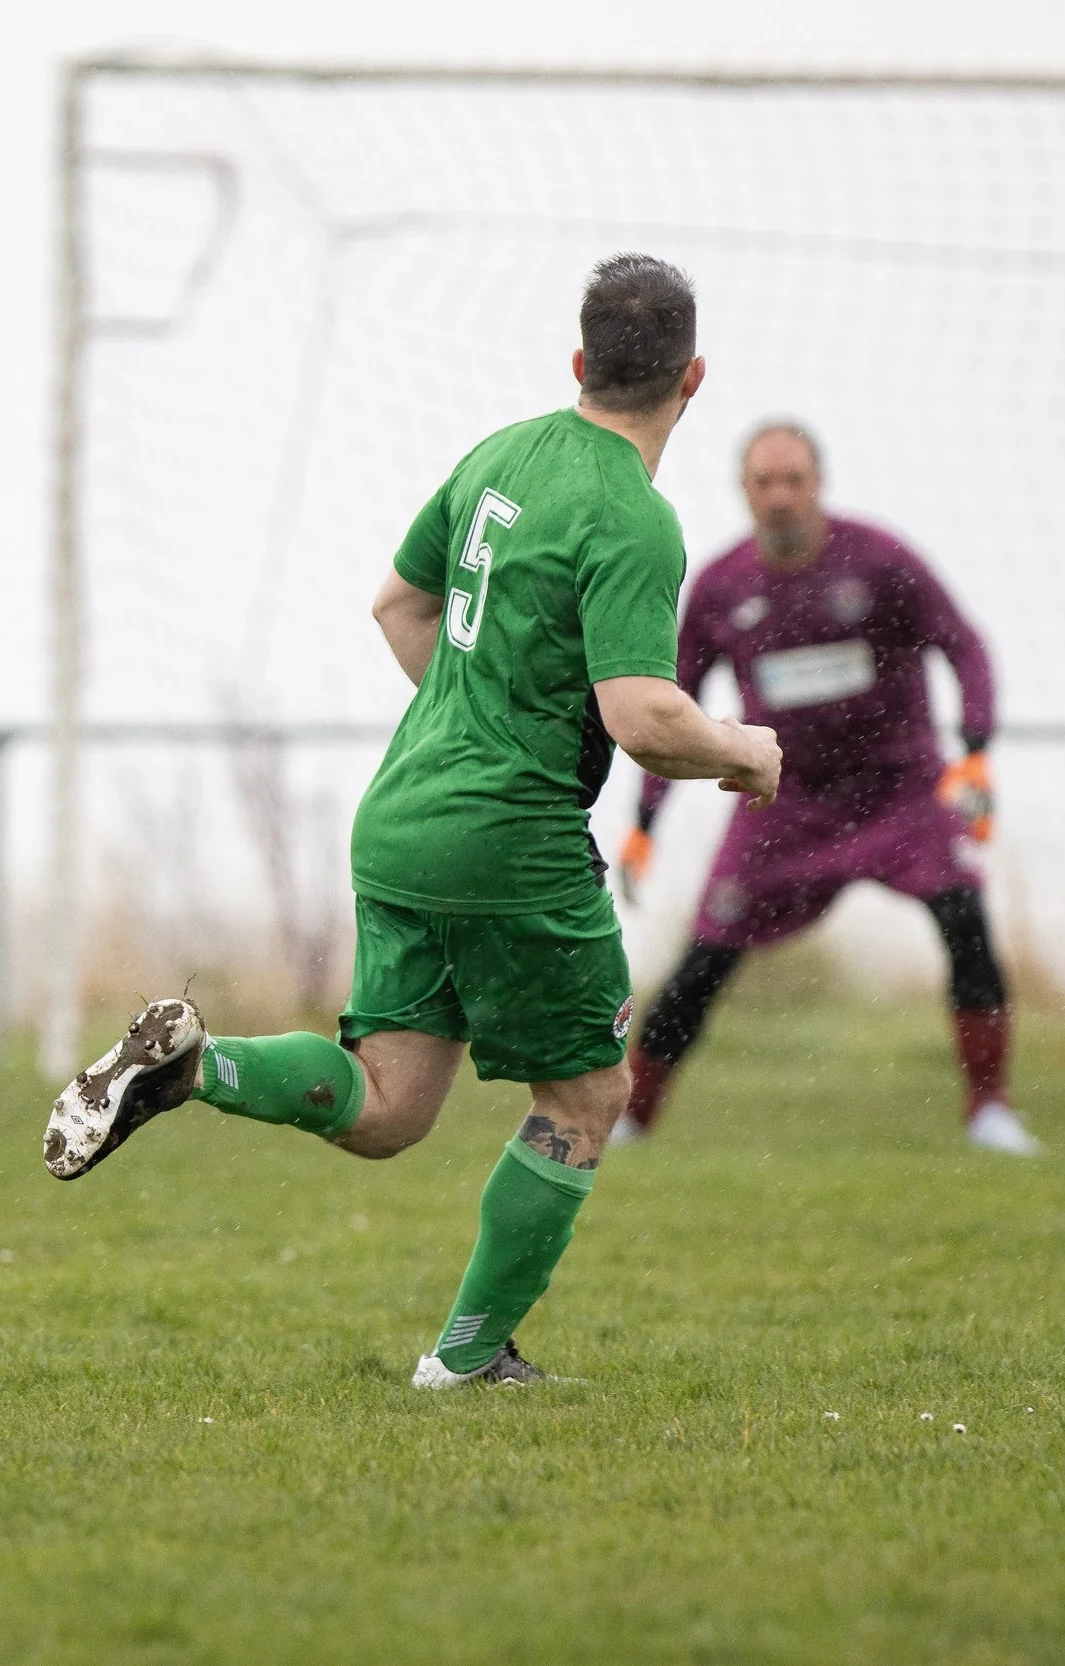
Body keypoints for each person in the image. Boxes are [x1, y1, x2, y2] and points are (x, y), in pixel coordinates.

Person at [42, 254, 782, 1387]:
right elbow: (640, 718)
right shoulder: (634, 517)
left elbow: (398, 602)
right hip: (508, 839)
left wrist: (471, 712)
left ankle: (195, 1068)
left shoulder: (499, 458)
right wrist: (741, 750)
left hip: (400, 816)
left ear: (580, 362)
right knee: (586, 1094)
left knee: (387, 1107)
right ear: (692, 379)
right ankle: (469, 1358)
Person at [611, 423, 1038, 1154]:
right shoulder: (718, 587)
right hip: (784, 804)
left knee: (965, 920)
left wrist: (974, 752)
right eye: (764, 482)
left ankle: (990, 1112)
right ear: (743, 492)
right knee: (704, 962)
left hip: (902, 792)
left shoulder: (878, 560)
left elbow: (963, 644)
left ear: (819, 485)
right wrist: (645, 821)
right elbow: (668, 703)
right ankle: (632, 1120)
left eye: (794, 480)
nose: (780, 496)